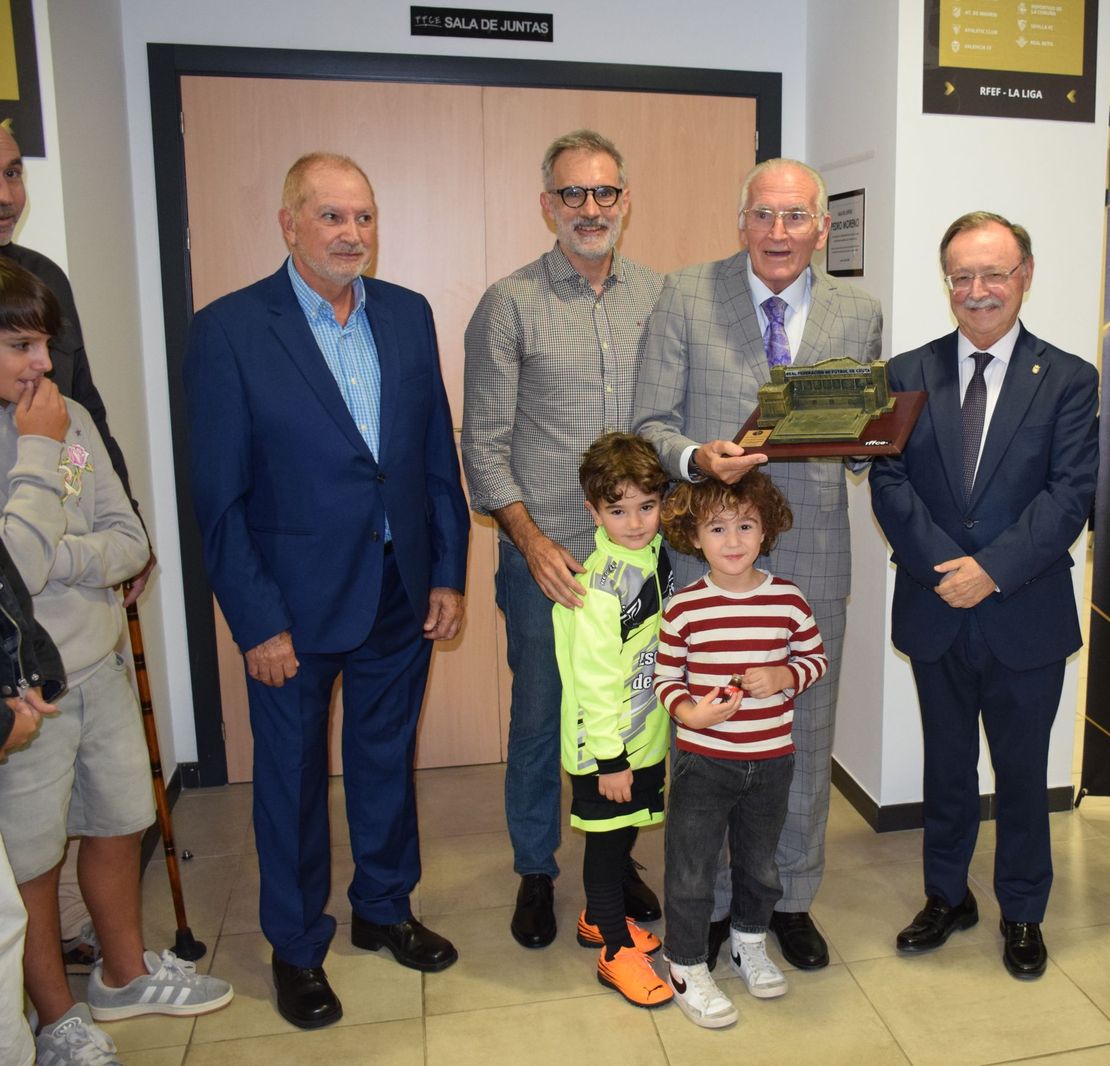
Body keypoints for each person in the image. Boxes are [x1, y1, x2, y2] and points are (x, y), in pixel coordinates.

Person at [184, 152, 470, 1029]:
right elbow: (219, 499)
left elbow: (431, 459)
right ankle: (297, 947)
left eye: (365, 218)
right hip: (292, 611)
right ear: (289, 224)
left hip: (397, 590)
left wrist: (448, 571)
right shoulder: (231, 328)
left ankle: (384, 909)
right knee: (293, 782)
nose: (353, 235)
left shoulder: (408, 315)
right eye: (333, 217)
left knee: (387, 761)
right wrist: (256, 621)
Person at [633, 157, 881, 970]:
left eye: (797, 217)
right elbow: (650, 419)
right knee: (707, 732)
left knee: (802, 731)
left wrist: (870, 445)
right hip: (711, 550)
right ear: (741, 222)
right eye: (765, 216)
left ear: (823, 227)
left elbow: (862, 442)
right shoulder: (682, 294)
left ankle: (787, 899)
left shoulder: (859, 310)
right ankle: (703, 900)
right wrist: (694, 457)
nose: (780, 233)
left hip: (812, 546)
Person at [0, 259, 233, 1064]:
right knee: (30, 856)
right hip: (28, 690)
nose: (42, 365)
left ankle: (124, 975)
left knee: (120, 818)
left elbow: (128, 538)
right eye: (23, 346)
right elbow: (12, 568)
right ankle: (57, 1013)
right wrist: (63, 546)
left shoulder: (67, 422)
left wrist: (66, 555)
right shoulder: (32, 434)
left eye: (46, 346)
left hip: (98, 662)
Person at [869, 212, 1099, 979]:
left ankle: (1024, 911)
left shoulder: (1068, 379)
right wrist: (947, 568)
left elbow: (1070, 496)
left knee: (1024, 776)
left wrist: (991, 570)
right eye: (961, 276)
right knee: (947, 767)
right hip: (937, 608)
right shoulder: (906, 372)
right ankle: (946, 896)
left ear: (1024, 275)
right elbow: (889, 480)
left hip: (1024, 610)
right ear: (947, 284)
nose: (977, 291)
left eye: (993, 274)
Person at [461, 130, 666, 948]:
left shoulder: (660, 296)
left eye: (605, 193)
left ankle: (613, 861)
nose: (591, 209)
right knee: (549, 718)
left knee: (636, 708)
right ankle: (536, 870)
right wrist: (531, 540)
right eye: (573, 195)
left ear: (626, 200)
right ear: (547, 204)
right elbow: (482, 441)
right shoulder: (508, 303)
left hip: (644, 560)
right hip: (551, 563)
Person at [654, 471, 828, 1029]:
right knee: (691, 868)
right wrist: (689, 712)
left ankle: (748, 940)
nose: (733, 541)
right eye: (718, 528)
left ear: (766, 531)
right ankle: (684, 963)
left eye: (746, 526)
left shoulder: (788, 599)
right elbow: (665, 678)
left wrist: (783, 674)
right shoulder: (684, 607)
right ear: (694, 537)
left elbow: (814, 660)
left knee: (760, 863)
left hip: (771, 760)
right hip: (703, 762)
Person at [0, 124, 154, 605]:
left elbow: (83, 409)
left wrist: (127, 526)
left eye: (13, 172)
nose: (7, 196)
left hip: (75, 588)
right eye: (20, 345)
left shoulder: (45, 278)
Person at [552, 432, 674, 1009]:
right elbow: (597, 680)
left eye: (645, 507)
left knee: (626, 831)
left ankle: (598, 920)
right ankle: (615, 951)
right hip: (607, 746)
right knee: (605, 843)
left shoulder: (653, 556)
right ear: (592, 510)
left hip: (643, 735)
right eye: (617, 510)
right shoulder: (601, 586)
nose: (634, 522)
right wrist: (610, 759)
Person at [2, 537, 67, 1066]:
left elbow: (129, 542)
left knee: (6, 925)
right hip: (14, 705)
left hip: (25, 690)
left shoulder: (90, 449)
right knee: (9, 916)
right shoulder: (28, 453)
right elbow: (28, 557)